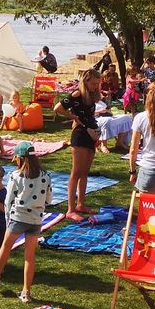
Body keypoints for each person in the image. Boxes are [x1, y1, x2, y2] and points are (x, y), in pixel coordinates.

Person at [0, 142, 52, 302]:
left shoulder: (15, 176)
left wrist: (8, 217)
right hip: (36, 219)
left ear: (20, 158)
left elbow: (8, 201)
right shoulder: (46, 176)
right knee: (29, 257)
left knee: (6, 247)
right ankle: (26, 292)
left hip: (18, 217)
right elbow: (49, 199)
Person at [57, 69, 102, 221]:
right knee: (76, 172)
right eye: (93, 83)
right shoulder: (77, 94)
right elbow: (58, 108)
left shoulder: (92, 95)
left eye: (97, 83)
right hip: (80, 134)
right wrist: (73, 117)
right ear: (86, 81)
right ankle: (70, 209)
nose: (96, 86)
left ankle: (81, 204)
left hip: (91, 133)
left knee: (85, 172)